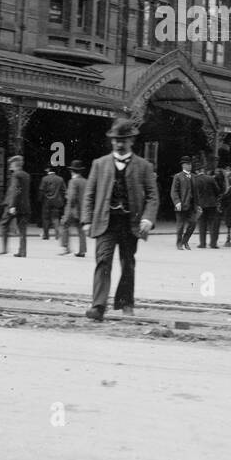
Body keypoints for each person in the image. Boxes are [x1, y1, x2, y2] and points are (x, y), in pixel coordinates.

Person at [81, 118, 159, 321]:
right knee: (103, 262)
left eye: (123, 140)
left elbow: (153, 195)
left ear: (132, 140)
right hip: (105, 222)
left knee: (128, 263)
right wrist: (86, 220)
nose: (119, 143)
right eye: (116, 140)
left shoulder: (144, 166)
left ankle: (126, 303)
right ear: (112, 141)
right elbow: (89, 194)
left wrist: (148, 219)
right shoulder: (99, 164)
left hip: (129, 223)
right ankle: (98, 306)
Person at [0, 155, 31, 256]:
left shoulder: (15, 175)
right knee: (22, 229)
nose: (10, 167)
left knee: (4, 224)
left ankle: (4, 249)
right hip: (24, 206)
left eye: (11, 165)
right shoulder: (26, 175)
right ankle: (22, 251)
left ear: (15, 165)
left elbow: (16, 190)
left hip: (13, 205)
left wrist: (12, 205)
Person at [60, 160, 88, 257]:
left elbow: (71, 198)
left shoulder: (72, 182)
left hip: (73, 211)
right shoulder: (85, 181)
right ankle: (82, 250)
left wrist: (66, 214)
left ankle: (66, 248)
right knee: (81, 230)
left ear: (72, 171)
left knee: (64, 226)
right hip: (82, 211)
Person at [192, 160, 223, 249]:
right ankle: (213, 244)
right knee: (213, 224)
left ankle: (202, 243)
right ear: (202, 170)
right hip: (212, 204)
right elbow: (217, 191)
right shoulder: (210, 178)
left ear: (197, 171)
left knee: (202, 223)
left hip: (200, 205)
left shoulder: (194, 180)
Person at [171, 155, 197, 250]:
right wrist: (177, 202)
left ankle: (185, 241)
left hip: (191, 205)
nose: (190, 166)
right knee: (180, 226)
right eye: (188, 164)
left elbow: (196, 192)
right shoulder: (178, 176)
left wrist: (198, 205)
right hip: (181, 205)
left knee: (193, 223)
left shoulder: (194, 176)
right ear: (183, 165)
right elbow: (174, 191)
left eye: (190, 164)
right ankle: (179, 243)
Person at [39, 166, 65, 243]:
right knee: (55, 218)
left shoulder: (44, 179)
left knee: (46, 218)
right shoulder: (60, 179)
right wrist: (61, 199)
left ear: (49, 171)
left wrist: (40, 199)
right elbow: (63, 190)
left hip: (46, 201)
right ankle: (57, 234)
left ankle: (46, 235)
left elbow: (41, 190)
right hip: (57, 201)